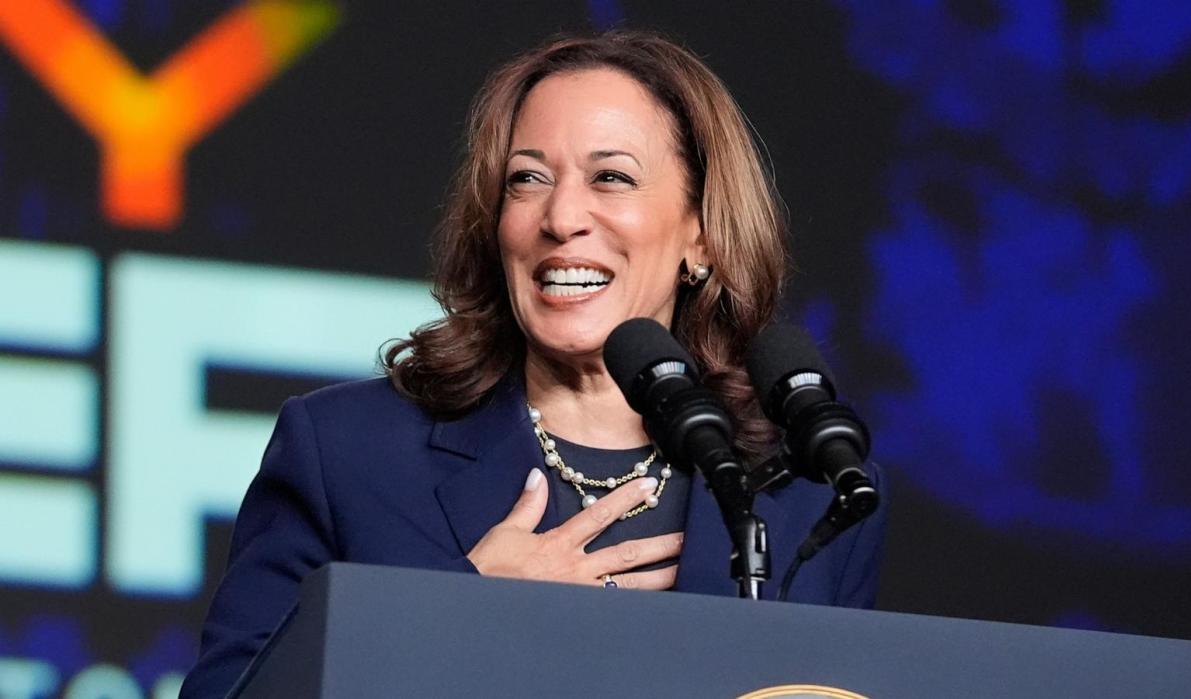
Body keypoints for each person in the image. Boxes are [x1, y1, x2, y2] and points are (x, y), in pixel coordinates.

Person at [180, 30, 886, 698]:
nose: (561, 216)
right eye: (527, 179)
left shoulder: (807, 497)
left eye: (611, 176)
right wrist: (459, 613)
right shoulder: (347, 454)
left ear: (699, 235)